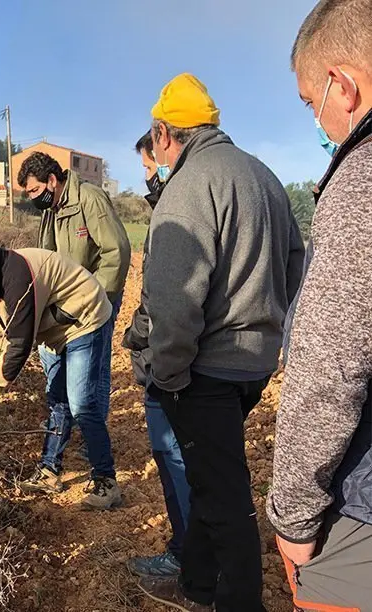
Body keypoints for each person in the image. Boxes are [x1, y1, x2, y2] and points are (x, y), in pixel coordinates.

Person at [139, 73, 305, 612]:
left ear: (164, 133)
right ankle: (197, 584)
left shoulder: (188, 187)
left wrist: (166, 373)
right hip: (254, 365)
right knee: (215, 480)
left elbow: (172, 299)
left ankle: (237, 600)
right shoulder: (264, 176)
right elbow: (297, 266)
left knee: (224, 497)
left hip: (207, 368)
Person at [267, 1, 372, 610]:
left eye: (311, 102)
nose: (317, 118)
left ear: (343, 85)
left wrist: (295, 517)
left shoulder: (358, 179)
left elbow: (330, 366)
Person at [0, 237, 122, 509]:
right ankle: (49, 472)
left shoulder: (16, 277)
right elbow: (1, 332)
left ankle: (107, 482)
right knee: (57, 400)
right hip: (57, 325)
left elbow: (19, 343)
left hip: (84, 319)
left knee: (81, 405)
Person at [18, 152, 131, 427]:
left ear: (53, 180)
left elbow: (116, 252)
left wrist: (95, 296)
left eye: (35, 189)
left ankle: (93, 432)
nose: (32, 197)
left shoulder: (89, 200)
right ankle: (63, 424)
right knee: (56, 358)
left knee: (96, 367)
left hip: (97, 298)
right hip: (65, 301)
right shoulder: (50, 210)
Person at [122, 131, 190, 579]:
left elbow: (167, 298)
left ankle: (188, 555)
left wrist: (140, 341)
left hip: (173, 363)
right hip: (184, 358)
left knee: (174, 457)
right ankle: (191, 551)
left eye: (149, 168)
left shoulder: (181, 209)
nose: (148, 177)